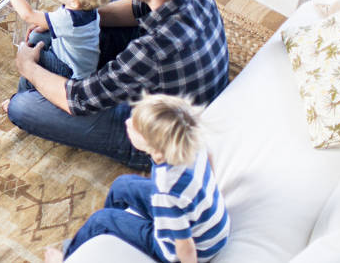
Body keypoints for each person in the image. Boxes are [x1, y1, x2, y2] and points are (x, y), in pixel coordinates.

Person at [5, 0, 228, 171]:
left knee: (22, 106)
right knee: (104, 2)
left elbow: (79, 99)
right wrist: (73, 23)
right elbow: (134, 9)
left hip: (168, 138)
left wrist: (28, 67)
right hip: (183, 88)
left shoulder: (151, 51)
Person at [45, 94, 229, 262]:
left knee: (101, 220)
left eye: (135, 127)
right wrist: (205, 198)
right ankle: (112, 242)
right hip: (210, 227)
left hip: (184, 249)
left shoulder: (168, 189)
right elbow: (210, 163)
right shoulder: (191, 141)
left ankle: (68, 257)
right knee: (122, 185)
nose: (128, 122)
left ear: (155, 148)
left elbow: (184, 245)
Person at [0, 0, 113, 80]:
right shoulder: (86, 7)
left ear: (74, 1)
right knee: (35, 36)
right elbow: (63, 15)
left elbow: (28, 15)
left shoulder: (69, 20)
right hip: (73, 56)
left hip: (70, 71)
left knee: (26, 55)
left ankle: (22, 93)